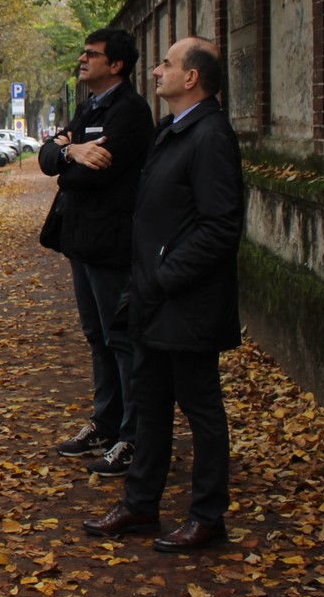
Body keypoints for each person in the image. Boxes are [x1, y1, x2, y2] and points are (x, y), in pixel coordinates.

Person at [84, 37, 244, 553]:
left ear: (192, 77)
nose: (156, 71)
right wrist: (145, 282)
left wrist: (164, 275)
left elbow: (221, 226)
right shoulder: (173, 131)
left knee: (201, 409)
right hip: (154, 298)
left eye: (167, 65)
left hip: (188, 303)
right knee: (150, 405)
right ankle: (140, 505)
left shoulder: (210, 136)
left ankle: (207, 515)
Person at [39, 29, 153, 477]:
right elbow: (49, 159)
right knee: (96, 335)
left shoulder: (130, 112)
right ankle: (105, 423)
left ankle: (133, 436)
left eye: (92, 54)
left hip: (112, 243)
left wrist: (69, 155)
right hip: (80, 242)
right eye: (83, 51)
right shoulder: (88, 107)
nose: (83, 59)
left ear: (117, 65)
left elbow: (92, 176)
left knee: (121, 337)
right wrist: (69, 153)